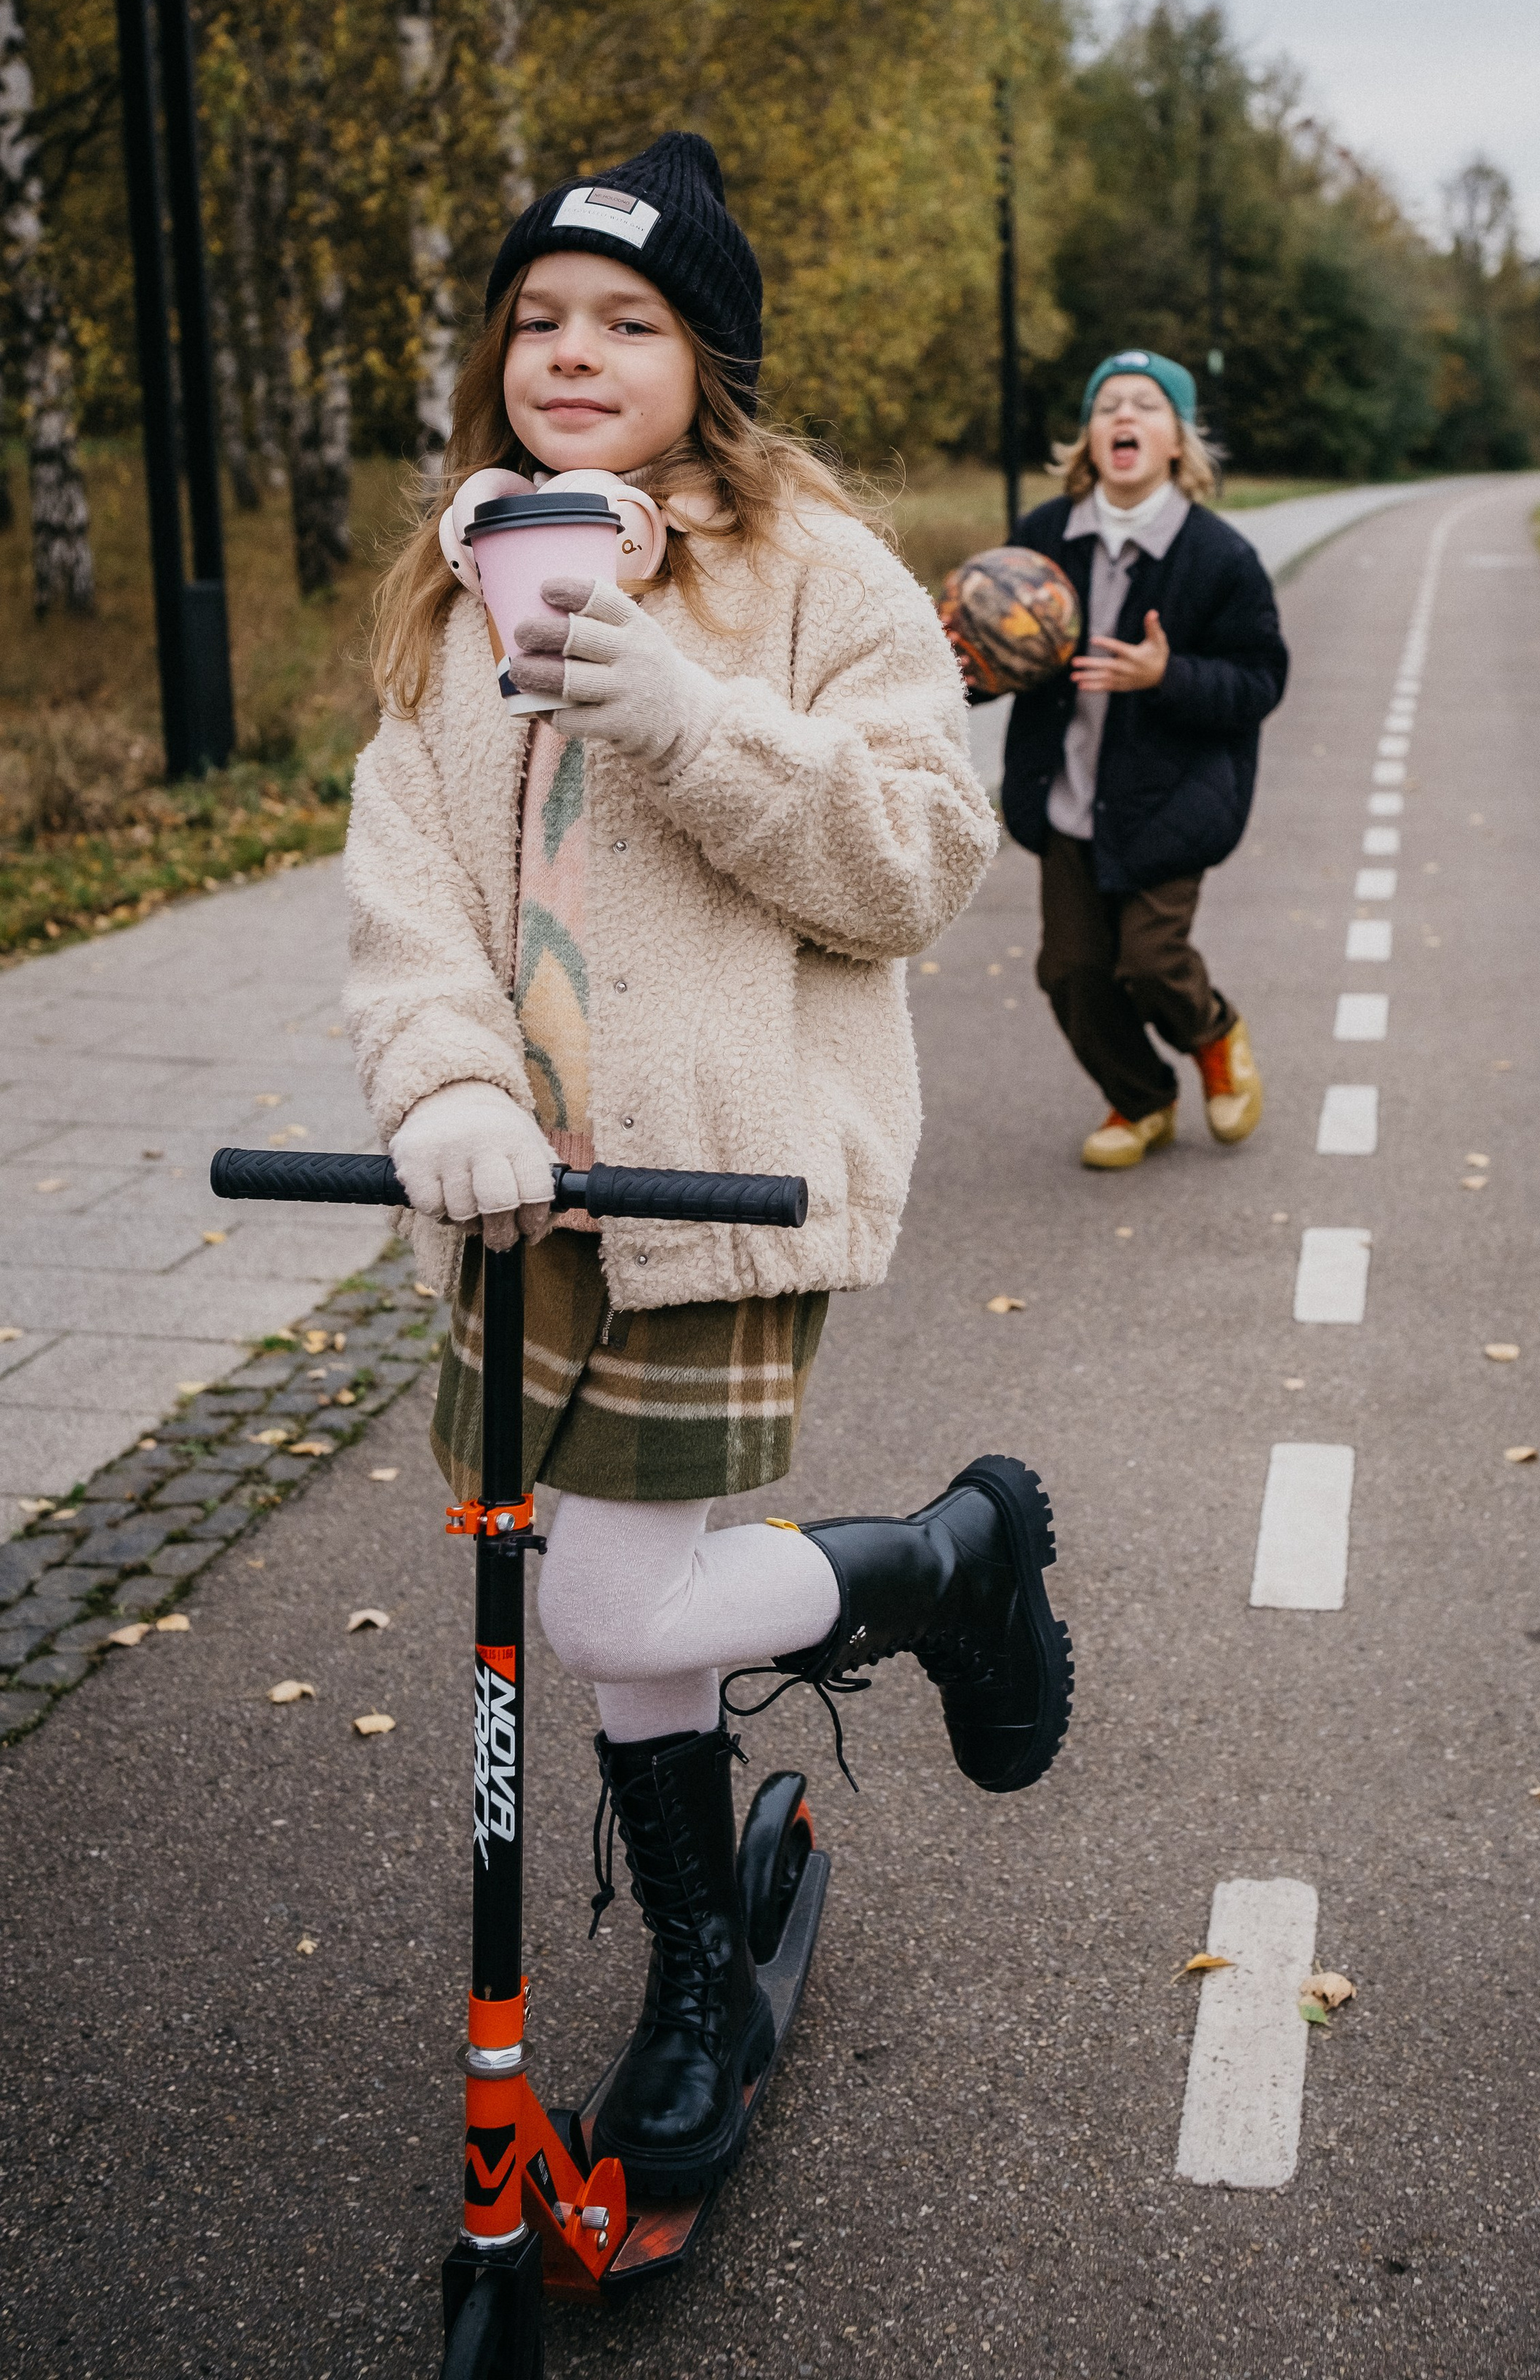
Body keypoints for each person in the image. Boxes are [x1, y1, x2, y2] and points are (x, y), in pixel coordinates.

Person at [344, 133, 1072, 2205]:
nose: (571, 353)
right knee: (627, 1610)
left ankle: (943, 1563)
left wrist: (685, 714)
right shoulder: (450, 573)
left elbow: (921, 865)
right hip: (515, 1207)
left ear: (708, 361)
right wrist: (442, 1089)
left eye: (628, 323)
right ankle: (695, 1970)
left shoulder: (814, 579)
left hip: (721, 1186)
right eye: (539, 320)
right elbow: (406, 896)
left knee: (606, 1595)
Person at [1000, 348, 1288, 1169]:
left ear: (1178, 443)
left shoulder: (1219, 559)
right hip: (1067, 798)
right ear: (1088, 440)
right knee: (1072, 973)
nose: (1123, 416)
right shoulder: (1044, 537)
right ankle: (1141, 1099)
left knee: (1152, 961)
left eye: (1146, 406)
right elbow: (998, 654)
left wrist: (1168, 675)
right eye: (1107, 406)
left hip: (1172, 800)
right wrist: (969, 652)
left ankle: (1215, 1035)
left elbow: (1260, 679)